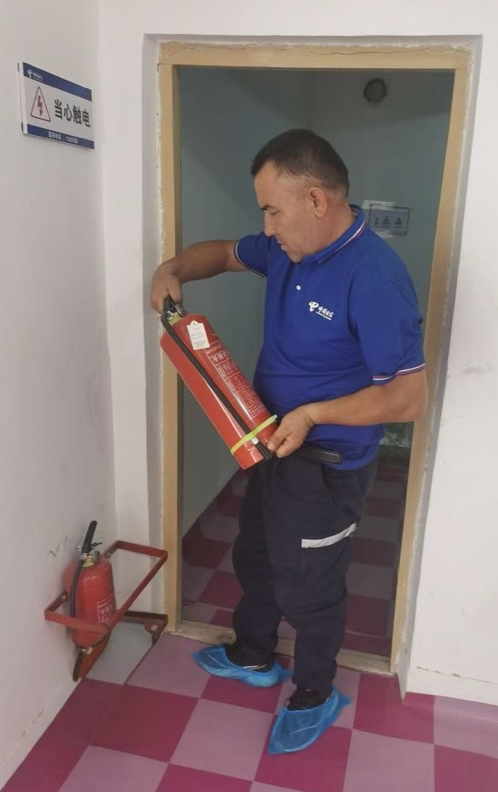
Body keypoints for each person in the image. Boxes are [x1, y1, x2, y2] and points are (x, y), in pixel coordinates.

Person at [150, 129, 427, 753]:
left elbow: (408, 398)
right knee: (257, 556)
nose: (266, 227)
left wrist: (312, 414)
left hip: (327, 464)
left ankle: (315, 691)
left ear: (317, 201)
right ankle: (253, 654)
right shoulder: (286, 250)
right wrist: (172, 270)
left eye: (273, 210)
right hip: (271, 444)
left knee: (310, 585)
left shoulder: (374, 278)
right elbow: (223, 253)